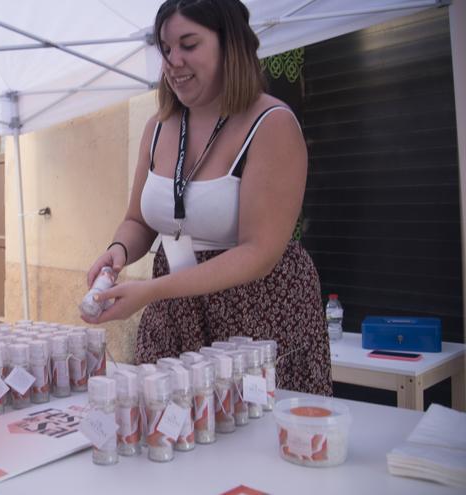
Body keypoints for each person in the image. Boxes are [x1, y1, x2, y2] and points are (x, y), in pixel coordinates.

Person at [84, 0, 331, 395]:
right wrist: (118, 251)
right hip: (175, 312)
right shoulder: (159, 126)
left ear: (229, 46)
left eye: (188, 44)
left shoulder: (272, 123)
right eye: (165, 48)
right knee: (170, 432)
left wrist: (151, 292)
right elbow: (139, 221)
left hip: (258, 314)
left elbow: (259, 252)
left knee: (251, 439)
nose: (173, 60)